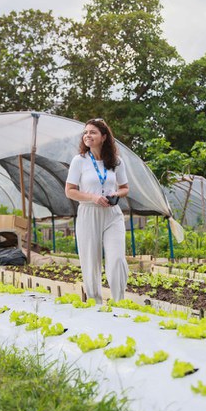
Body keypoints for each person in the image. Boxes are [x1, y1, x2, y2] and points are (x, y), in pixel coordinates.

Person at [65, 118, 130, 303]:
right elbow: (69, 191)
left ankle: (119, 301)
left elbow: (125, 187)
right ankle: (96, 303)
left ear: (103, 137)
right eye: (85, 132)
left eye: (92, 132)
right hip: (89, 212)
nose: (87, 135)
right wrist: (93, 197)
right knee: (90, 261)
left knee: (117, 258)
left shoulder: (116, 162)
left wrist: (116, 193)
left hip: (112, 213)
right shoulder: (79, 161)